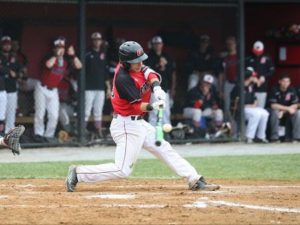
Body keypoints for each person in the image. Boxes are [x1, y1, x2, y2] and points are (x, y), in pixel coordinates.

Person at [65, 41, 220, 192]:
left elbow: (149, 72)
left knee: (164, 148)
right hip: (126, 126)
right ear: (125, 63)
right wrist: (153, 106)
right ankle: (78, 173)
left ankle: (194, 179)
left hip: (139, 124)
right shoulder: (123, 79)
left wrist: (157, 88)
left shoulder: (137, 67)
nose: (140, 64)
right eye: (135, 61)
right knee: (122, 170)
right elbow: (135, 106)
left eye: (140, 60)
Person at [34, 37, 82, 142]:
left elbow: (79, 66)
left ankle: (48, 136)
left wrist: (73, 55)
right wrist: (56, 55)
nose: (60, 50)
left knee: (54, 115)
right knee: (40, 113)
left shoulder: (66, 61)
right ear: (54, 49)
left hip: (53, 90)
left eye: (62, 48)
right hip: (42, 88)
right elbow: (48, 65)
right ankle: (38, 135)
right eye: (58, 47)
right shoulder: (49, 57)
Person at [232, 67, 269, 143]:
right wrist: (247, 106)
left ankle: (261, 137)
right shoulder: (239, 86)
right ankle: (249, 137)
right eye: (253, 77)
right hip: (242, 109)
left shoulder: (251, 87)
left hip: (250, 108)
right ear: (249, 77)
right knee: (256, 114)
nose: (255, 78)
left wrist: (254, 104)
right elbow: (235, 103)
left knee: (265, 113)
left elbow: (254, 99)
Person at [85, 32, 111, 138]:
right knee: (86, 111)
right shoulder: (87, 53)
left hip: (100, 88)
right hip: (88, 88)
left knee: (98, 111)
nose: (97, 41)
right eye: (95, 40)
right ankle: (82, 131)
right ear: (92, 41)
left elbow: (105, 74)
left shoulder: (103, 55)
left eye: (98, 40)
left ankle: (98, 131)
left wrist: (108, 88)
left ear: (101, 41)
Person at [146, 36, 176, 126]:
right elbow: (146, 73)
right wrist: (159, 65)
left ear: (162, 45)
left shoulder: (167, 57)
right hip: (153, 90)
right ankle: (152, 133)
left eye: (159, 44)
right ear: (153, 45)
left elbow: (173, 73)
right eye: (155, 44)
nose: (157, 46)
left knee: (165, 111)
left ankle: (166, 131)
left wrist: (173, 88)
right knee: (154, 112)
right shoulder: (149, 57)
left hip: (165, 88)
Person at [269, 75, 300, 142]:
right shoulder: (274, 89)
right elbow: (273, 105)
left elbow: (296, 104)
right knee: (275, 112)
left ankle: (296, 137)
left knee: (297, 112)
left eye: (287, 81)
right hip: (275, 110)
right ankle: (274, 138)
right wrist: (287, 109)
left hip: (285, 111)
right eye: (284, 81)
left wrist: (283, 111)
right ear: (280, 81)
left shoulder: (291, 89)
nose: (286, 83)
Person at [0, 36, 21, 134]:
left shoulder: (14, 57)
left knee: (11, 114)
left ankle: (9, 136)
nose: (7, 46)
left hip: (12, 89)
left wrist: (16, 74)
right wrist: (9, 71)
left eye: (8, 44)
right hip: (1, 89)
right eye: (5, 44)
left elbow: (20, 72)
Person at [246, 41, 275, 108]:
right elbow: (245, 70)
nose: (257, 54)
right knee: (249, 107)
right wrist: (252, 77)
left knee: (260, 108)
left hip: (262, 88)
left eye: (259, 52)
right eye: (256, 52)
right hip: (249, 87)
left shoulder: (267, 58)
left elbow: (272, 70)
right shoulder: (249, 58)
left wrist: (264, 77)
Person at [220, 36, 238, 120]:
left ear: (235, 44)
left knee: (237, 105)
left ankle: (237, 126)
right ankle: (227, 125)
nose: (230, 45)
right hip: (228, 82)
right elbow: (222, 73)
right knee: (226, 105)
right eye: (228, 44)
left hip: (238, 83)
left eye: (232, 43)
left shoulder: (239, 56)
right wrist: (221, 89)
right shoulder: (225, 58)